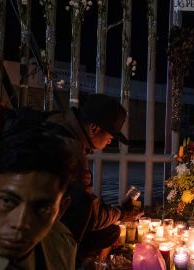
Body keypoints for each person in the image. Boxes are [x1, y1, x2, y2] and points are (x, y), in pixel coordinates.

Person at [45, 94, 142, 265]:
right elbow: (90, 213)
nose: (109, 142)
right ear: (94, 128)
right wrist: (121, 214)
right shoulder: (71, 152)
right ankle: (72, 262)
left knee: (109, 228)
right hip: (45, 227)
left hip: (46, 216)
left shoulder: (56, 124)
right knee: (109, 231)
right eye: (110, 137)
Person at [0, 128, 78, 269]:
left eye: (43, 208)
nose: (21, 223)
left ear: (61, 209)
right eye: (7, 201)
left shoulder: (61, 246)